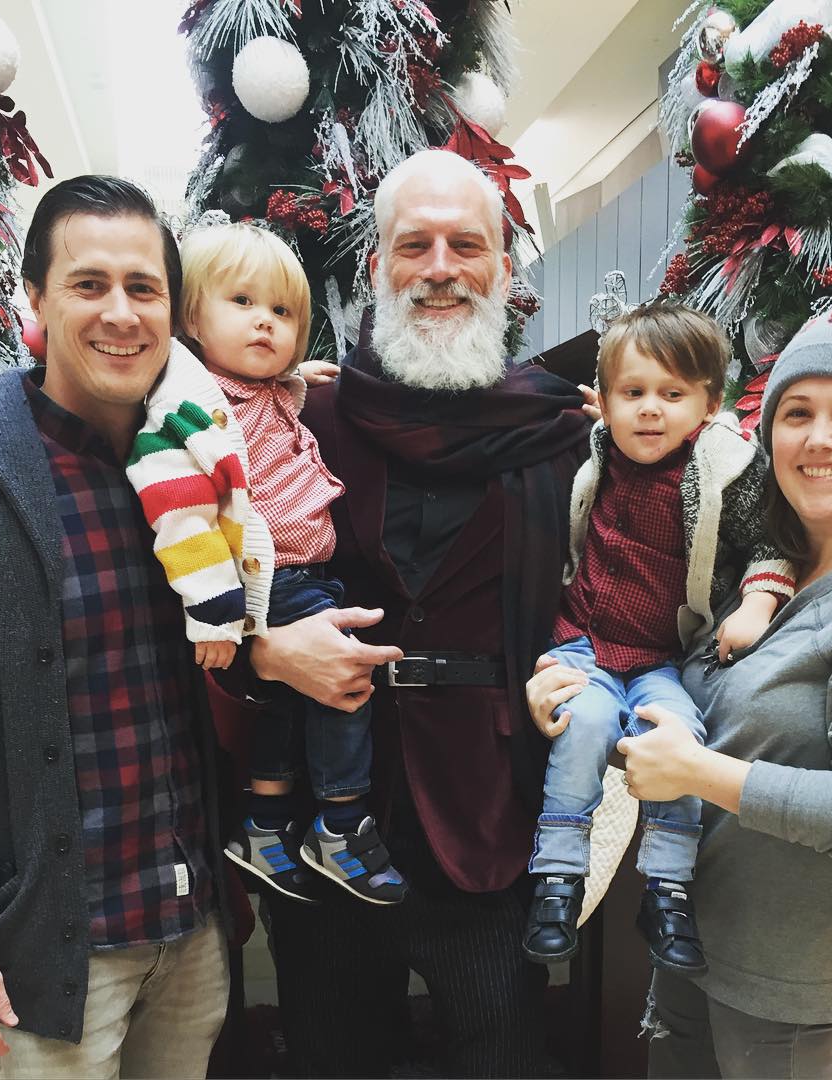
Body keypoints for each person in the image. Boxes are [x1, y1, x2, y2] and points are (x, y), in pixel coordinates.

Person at [528, 283, 832, 1079]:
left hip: (788, 978)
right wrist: (569, 698)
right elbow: (681, 709)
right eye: (796, 412)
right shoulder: (754, 571)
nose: (818, 437)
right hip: (693, 940)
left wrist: (697, 773)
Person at [246, 148, 591, 1076]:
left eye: (465, 246)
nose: (440, 269)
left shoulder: (561, 435)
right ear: (376, 267)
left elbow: (620, 588)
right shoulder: (304, 423)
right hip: (329, 821)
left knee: (504, 1058)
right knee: (333, 1060)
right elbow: (194, 578)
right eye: (415, 245)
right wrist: (265, 650)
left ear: (502, 270)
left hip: (491, 813)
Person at [0, 175, 240, 1079]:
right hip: (48, 961)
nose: (120, 314)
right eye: (89, 284)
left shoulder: (193, 465)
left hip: (191, 930)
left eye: (144, 288)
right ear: (36, 299)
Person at [127, 221, 406, 906]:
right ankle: (342, 821)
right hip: (266, 579)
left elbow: (275, 395)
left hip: (297, 574)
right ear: (192, 318)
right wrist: (215, 614)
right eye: (243, 302)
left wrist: (300, 377)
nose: (265, 322)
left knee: (284, 697)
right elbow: (179, 512)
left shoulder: (269, 389)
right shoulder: (190, 407)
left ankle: (265, 820)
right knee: (345, 677)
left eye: (282, 312)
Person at [521, 304, 794, 971]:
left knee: (679, 737)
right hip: (583, 643)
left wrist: (758, 602)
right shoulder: (597, 449)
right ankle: (557, 878)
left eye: (672, 395)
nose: (650, 410)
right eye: (633, 393)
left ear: (709, 403)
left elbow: (771, 542)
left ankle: (667, 888)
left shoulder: (723, 470)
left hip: (657, 659)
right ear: (607, 400)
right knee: (583, 724)